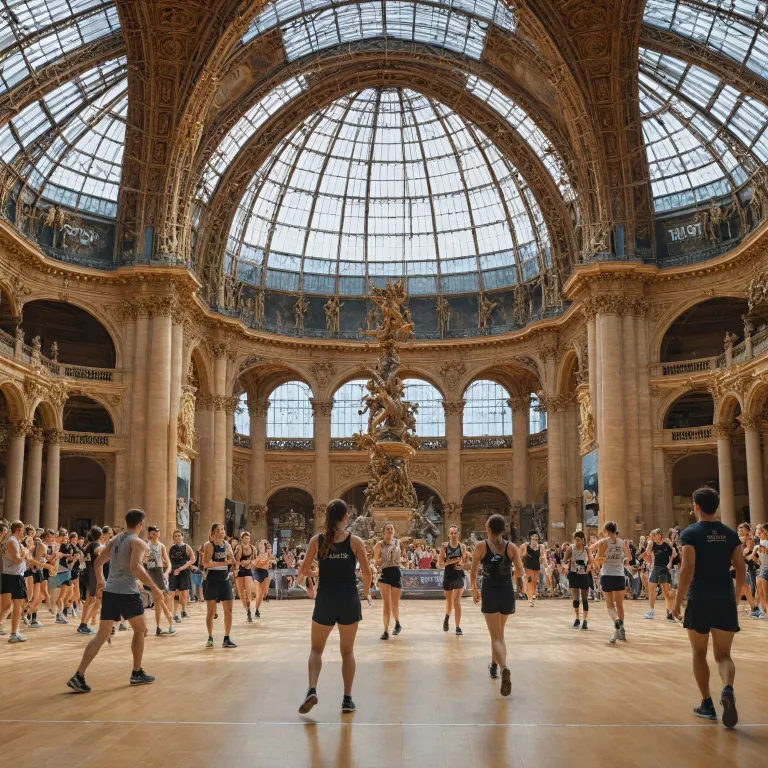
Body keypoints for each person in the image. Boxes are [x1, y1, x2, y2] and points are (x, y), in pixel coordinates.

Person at [67, 509, 164, 693]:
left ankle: (79, 675)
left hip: (110, 592)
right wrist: (154, 587)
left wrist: (101, 581)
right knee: (141, 629)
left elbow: (97, 563)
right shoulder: (138, 542)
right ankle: (136, 673)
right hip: (127, 593)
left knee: (101, 635)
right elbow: (135, 567)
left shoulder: (114, 540)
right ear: (141, 524)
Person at [672, 487, 745, 728]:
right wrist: (735, 597)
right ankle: (727, 688)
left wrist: (676, 600)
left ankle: (707, 704)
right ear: (717, 506)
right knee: (724, 655)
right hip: (724, 598)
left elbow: (687, 568)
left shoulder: (690, 533)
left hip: (699, 597)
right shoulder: (730, 533)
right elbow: (740, 567)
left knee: (699, 653)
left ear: (696, 506)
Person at [296, 499, 372, 715]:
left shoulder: (317, 541)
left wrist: (318, 573)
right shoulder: (355, 541)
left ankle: (312, 689)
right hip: (348, 599)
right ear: (346, 516)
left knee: (316, 650)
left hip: (326, 600)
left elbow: (303, 571)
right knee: (347, 652)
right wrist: (366, 593)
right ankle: (347, 700)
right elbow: (367, 573)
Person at [469, 514, 524, 696]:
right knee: (500, 633)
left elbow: (473, 570)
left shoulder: (481, 546)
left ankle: (504, 668)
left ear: (489, 528)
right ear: (504, 529)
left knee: (496, 637)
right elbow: (520, 571)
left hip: (490, 591)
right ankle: (494, 665)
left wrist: (475, 589)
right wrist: (509, 575)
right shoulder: (512, 547)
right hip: (507, 592)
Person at [595, 521, 631, 644]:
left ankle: (616, 621)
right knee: (620, 605)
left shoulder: (603, 542)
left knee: (610, 605)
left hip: (607, 575)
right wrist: (622, 559)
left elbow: (598, 560)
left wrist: (599, 561)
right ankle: (622, 630)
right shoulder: (622, 542)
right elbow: (629, 558)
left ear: (606, 531)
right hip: (619, 575)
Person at [202, 523, 237, 648]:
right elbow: (205, 563)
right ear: (214, 533)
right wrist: (221, 563)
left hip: (225, 579)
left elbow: (233, 561)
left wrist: (235, 560)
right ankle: (210, 637)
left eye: (223, 529)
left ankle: (226, 638)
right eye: (218, 530)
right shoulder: (209, 545)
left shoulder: (227, 545)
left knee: (229, 610)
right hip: (212, 580)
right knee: (211, 612)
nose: (222, 532)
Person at [372, 522, 403, 640]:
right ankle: (385, 630)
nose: (390, 531)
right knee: (386, 604)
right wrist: (383, 560)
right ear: (383, 532)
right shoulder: (379, 545)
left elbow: (402, 557)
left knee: (395, 603)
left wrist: (401, 560)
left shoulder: (398, 543)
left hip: (396, 573)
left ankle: (397, 622)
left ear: (394, 531)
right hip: (384, 574)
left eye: (391, 529)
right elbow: (375, 561)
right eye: (387, 529)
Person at [1, 521, 30, 643]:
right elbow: (18, 560)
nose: (23, 532)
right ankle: (14, 633)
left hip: (10, 576)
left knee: (7, 605)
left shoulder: (15, 542)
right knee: (18, 604)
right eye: (23, 530)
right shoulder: (13, 541)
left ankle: (12, 631)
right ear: (18, 530)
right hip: (15, 576)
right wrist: (27, 549)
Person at [144, 526, 175, 636]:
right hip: (151, 573)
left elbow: (168, 562)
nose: (155, 535)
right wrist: (146, 557)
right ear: (149, 534)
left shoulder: (161, 546)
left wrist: (166, 572)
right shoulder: (146, 546)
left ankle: (160, 626)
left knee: (160, 600)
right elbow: (144, 561)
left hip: (159, 573)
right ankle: (169, 622)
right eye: (153, 533)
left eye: (157, 532)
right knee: (159, 599)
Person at [438, 525, 468, 635]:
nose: (453, 535)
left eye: (455, 533)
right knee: (449, 602)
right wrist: (451, 561)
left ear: (458, 534)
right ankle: (446, 617)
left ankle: (458, 627)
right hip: (448, 576)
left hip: (459, 575)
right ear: (448, 534)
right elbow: (439, 564)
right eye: (451, 533)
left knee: (457, 601)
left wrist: (461, 564)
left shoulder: (462, 546)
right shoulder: (444, 547)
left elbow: (464, 561)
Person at [643, 528, 676, 621]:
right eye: (652, 536)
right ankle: (651, 611)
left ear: (659, 535)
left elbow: (674, 553)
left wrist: (670, 563)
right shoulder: (653, 544)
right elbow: (648, 553)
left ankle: (670, 611)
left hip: (664, 568)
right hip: (655, 568)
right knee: (651, 588)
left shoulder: (666, 544)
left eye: (654, 535)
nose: (653, 537)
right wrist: (648, 545)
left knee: (665, 592)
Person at [77, 526, 104, 635]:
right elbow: (98, 551)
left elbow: (82, 558)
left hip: (86, 573)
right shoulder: (96, 546)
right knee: (91, 599)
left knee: (91, 599)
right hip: (92, 574)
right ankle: (83, 625)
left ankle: (84, 624)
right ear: (101, 536)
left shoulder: (88, 546)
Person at [563, 530, 591, 629]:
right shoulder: (571, 548)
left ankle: (585, 620)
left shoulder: (586, 549)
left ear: (583, 540)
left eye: (578, 540)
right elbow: (564, 561)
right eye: (575, 540)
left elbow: (590, 562)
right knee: (576, 599)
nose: (577, 542)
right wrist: (568, 563)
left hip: (584, 574)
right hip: (574, 574)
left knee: (585, 599)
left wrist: (588, 567)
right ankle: (577, 618)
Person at [168, 530, 194, 622]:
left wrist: (182, 568)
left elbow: (192, 559)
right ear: (173, 538)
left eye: (179, 535)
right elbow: (168, 560)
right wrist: (171, 571)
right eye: (175, 536)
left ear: (182, 536)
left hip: (184, 571)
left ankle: (183, 610)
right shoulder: (171, 548)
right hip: (174, 571)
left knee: (184, 595)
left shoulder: (187, 547)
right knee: (174, 593)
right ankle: (175, 613)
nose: (178, 537)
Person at [234, 531, 256, 622]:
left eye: (248, 538)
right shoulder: (239, 547)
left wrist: (249, 562)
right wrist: (239, 565)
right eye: (245, 538)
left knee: (248, 589)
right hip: (240, 571)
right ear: (242, 539)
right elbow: (236, 560)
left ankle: (249, 606)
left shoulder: (253, 548)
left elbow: (255, 559)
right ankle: (247, 611)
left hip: (248, 570)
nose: (247, 540)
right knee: (241, 593)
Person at [519, 530, 544, 605]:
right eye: (533, 538)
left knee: (534, 582)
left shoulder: (540, 546)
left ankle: (532, 595)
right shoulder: (525, 546)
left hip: (536, 566)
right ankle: (530, 599)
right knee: (530, 580)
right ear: (530, 538)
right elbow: (518, 555)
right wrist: (520, 566)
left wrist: (544, 563)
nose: (535, 540)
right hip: (528, 566)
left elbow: (543, 556)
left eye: (536, 538)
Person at [751, 523, 768, 618]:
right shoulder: (758, 545)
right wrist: (758, 562)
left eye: (759, 532)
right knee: (762, 591)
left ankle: (763, 611)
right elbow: (753, 556)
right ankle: (763, 611)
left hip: (764, 569)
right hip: (763, 569)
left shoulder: (760, 545)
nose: (757, 534)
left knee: (764, 592)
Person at [252, 541, 273, 617]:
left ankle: (266, 596)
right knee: (259, 594)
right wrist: (258, 563)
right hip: (257, 573)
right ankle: (257, 610)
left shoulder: (268, 554)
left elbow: (271, 560)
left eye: (262, 544)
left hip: (265, 573)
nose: (260, 545)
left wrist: (267, 561)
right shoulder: (256, 554)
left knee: (265, 592)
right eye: (260, 544)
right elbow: (253, 568)